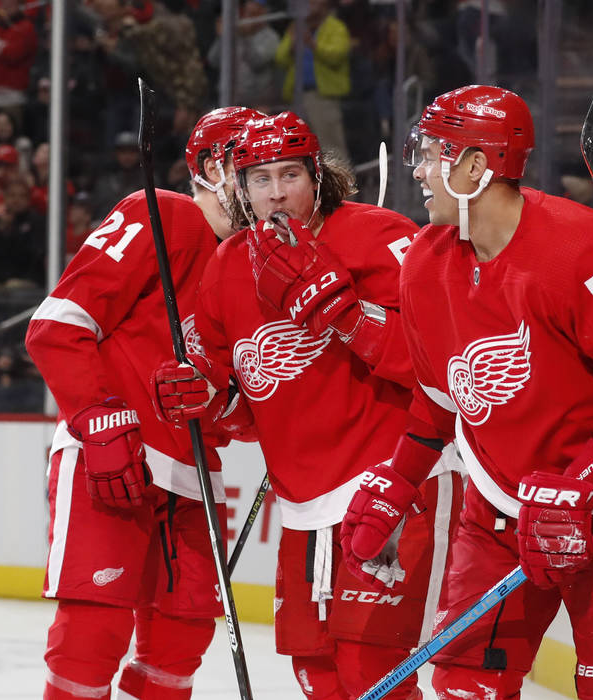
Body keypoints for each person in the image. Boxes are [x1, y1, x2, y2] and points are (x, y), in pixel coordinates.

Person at [340, 85, 593, 699]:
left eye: (431, 154)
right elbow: (440, 394)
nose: (420, 171)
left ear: (475, 166)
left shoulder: (577, 245)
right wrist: (399, 481)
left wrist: (582, 480)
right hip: (493, 510)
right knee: (464, 686)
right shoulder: (425, 263)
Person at [153, 110, 461, 700]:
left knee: (373, 673)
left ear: (317, 175)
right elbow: (247, 409)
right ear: (239, 188)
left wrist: (346, 313)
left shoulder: (380, 236)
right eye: (260, 178)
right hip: (300, 505)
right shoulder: (224, 268)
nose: (276, 193)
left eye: (289, 174)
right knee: (315, 675)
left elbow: (442, 366)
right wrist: (203, 399)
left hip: (394, 482)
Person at [24, 106, 261, 700]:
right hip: (112, 455)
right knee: (93, 633)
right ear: (212, 166)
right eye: (252, 169)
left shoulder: (255, 264)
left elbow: (241, 402)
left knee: (181, 643)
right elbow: (57, 324)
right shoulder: (162, 214)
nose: (265, 187)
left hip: (190, 477)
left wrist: (222, 406)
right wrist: (99, 419)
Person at [276, 0, 352, 159]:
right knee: (297, 148)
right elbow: (279, 59)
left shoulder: (335, 27)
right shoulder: (295, 27)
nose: (309, 4)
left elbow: (337, 55)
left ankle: (342, 184)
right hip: (296, 96)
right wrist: (292, 44)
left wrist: (312, 44)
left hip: (322, 97)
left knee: (331, 147)